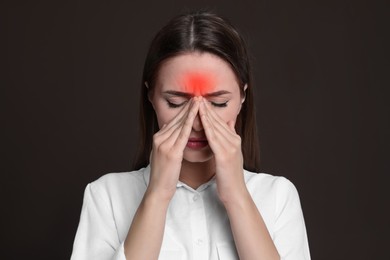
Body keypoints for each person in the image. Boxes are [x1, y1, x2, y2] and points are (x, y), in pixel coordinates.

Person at [71, 11, 310, 260]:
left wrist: (236, 195)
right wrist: (157, 195)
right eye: (176, 103)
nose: (196, 123)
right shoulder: (107, 197)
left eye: (218, 103)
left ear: (242, 98)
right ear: (151, 96)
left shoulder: (278, 197)